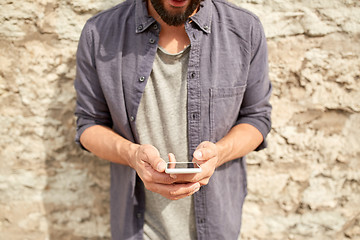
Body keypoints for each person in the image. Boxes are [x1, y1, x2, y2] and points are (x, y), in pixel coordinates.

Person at [74, 0, 272, 238]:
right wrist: (132, 155)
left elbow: (256, 118)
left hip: (219, 226)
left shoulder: (245, 29)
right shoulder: (100, 33)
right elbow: (89, 124)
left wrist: (219, 153)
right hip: (137, 230)